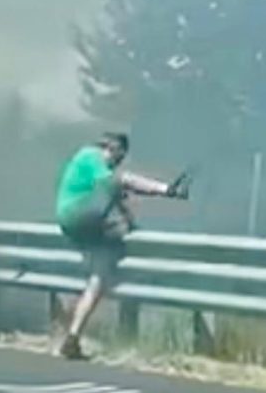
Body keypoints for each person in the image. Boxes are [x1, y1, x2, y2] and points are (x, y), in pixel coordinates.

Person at [53, 132, 189, 360]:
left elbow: (113, 195)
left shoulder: (88, 164)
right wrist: (166, 190)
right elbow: (122, 182)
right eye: (119, 157)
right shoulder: (93, 156)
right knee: (104, 265)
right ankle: (76, 330)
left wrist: (130, 222)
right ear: (113, 149)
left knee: (99, 272)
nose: (118, 162)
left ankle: (72, 335)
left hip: (71, 220)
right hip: (79, 216)